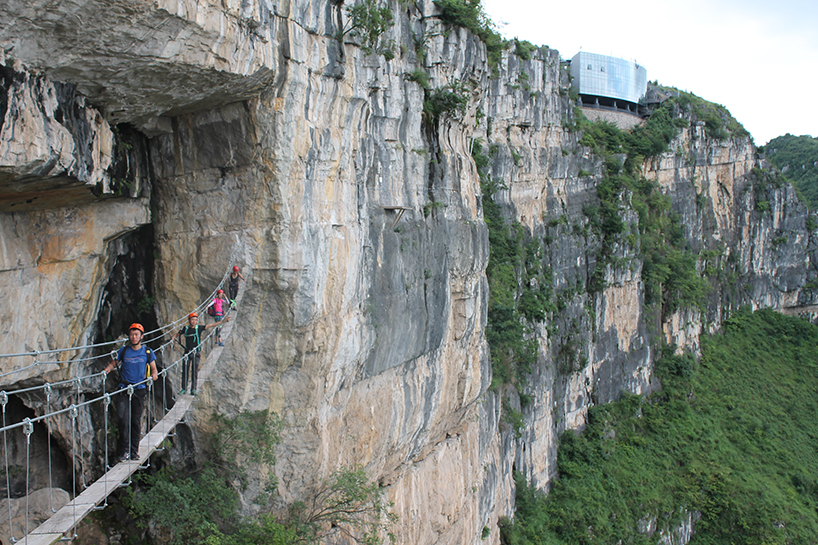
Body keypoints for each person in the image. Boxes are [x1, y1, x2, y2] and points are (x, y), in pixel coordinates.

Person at [103, 323, 158, 463]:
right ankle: (124, 451)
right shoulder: (124, 350)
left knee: (135, 421)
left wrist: (154, 375)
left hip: (139, 390)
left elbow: (153, 368)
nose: (134, 337)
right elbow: (114, 363)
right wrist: (106, 370)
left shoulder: (147, 352)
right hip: (124, 389)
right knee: (123, 421)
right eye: (132, 334)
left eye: (136, 335)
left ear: (141, 336)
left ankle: (134, 451)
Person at [174, 312, 226, 395]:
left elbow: (211, 325)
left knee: (194, 371)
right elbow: (178, 333)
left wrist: (223, 321)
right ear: (189, 320)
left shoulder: (199, 328)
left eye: (195, 320)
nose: (194, 321)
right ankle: (184, 389)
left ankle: (193, 389)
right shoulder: (185, 328)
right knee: (185, 371)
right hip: (187, 352)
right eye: (192, 320)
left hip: (196, 352)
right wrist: (174, 337)